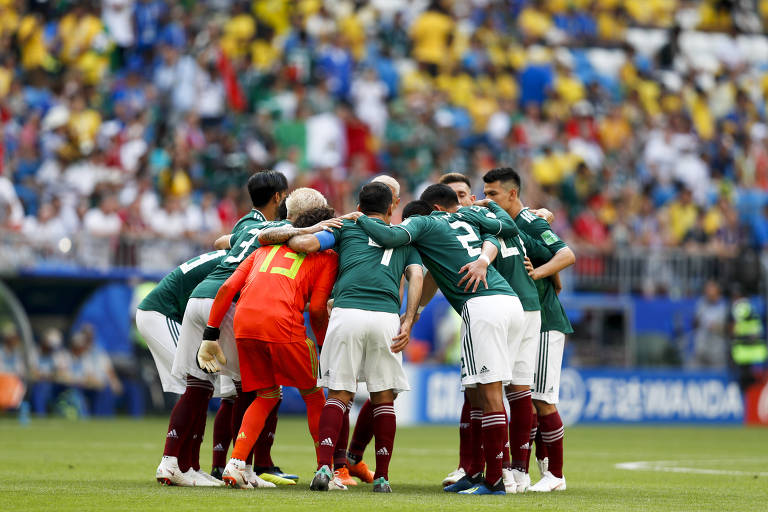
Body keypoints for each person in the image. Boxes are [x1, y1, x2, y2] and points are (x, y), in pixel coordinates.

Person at [350, 184, 524, 495]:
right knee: (480, 394)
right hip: (510, 304)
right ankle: (477, 473)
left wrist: (358, 217)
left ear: (431, 208)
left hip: (481, 306)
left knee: (490, 395)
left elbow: (388, 237)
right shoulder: (469, 216)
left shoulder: (425, 222)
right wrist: (490, 205)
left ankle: (496, 480)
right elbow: (508, 227)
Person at [262, 182, 423, 493]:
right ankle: (383, 478)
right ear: (391, 208)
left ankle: (326, 467)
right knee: (383, 398)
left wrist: (318, 228)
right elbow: (416, 275)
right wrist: (408, 319)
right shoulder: (405, 239)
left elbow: (305, 245)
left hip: (346, 313)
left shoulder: (346, 228)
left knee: (339, 395)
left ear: (358, 205)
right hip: (386, 317)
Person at [159, 171, 289, 487]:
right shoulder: (277, 227)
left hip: (199, 298)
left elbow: (222, 242)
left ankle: (172, 462)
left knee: (198, 384)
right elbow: (291, 238)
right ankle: (239, 466)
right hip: (225, 302)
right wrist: (319, 227)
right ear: (278, 198)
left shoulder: (244, 223)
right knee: (247, 387)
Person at [198, 207, 340, 489]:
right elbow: (319, 310)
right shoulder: (327, 255)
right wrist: (325, 345)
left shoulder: (263, 249)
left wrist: (210, 333)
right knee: (313, 394)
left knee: (265, 394)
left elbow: (227, 288)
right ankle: (326, 469)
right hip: (283, 323)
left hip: (244, 324)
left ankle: (236, 463)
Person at [482, 167, 576, 492]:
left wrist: (537, 274)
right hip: (527, 320)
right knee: (528, 398)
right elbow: (558, 279)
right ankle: (536, 469)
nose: (486, 199)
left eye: (492, 194)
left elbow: (566, 254)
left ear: (512, 193)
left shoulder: (530, 221)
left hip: (547, 321)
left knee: (543, 398)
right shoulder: (504, 226)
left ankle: (556, 475)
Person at [137, 249, 233, 487]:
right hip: (162, 313)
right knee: (198, 384)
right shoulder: (240, 257)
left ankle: (189, 466)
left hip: (169, 313)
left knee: (203, 385)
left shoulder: (232, 250)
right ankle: (171, 462)